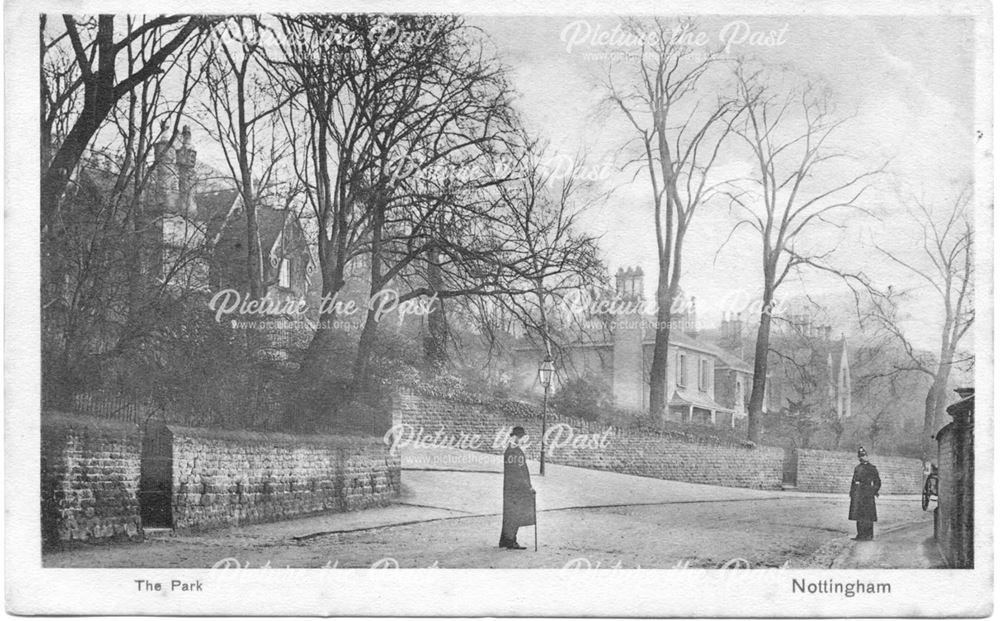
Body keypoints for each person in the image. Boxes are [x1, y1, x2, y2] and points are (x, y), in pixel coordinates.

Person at [499, 426, 535, 550]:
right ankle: (510, 541)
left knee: (510, 514)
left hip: (510, 487)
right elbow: (518, 472)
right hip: (516, 488)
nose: (522, 440)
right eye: (521, 438)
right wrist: (527, 487)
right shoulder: (514, 451)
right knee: (514, 514)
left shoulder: (511, 449)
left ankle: (505, 540)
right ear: (515, 437)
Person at [849, 445, 881, 541]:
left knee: (868, 515)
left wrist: (873, 491)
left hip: (867, 494)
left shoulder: (872, 468)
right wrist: (852, 492)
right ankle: (860, 535)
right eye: (860, 456)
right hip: (858, 494)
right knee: (859, 515)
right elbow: (853, 481)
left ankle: (869, 535)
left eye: (863, 455)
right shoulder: (857, 468)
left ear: (867, 456)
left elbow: (878, 482)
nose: (861, 458)